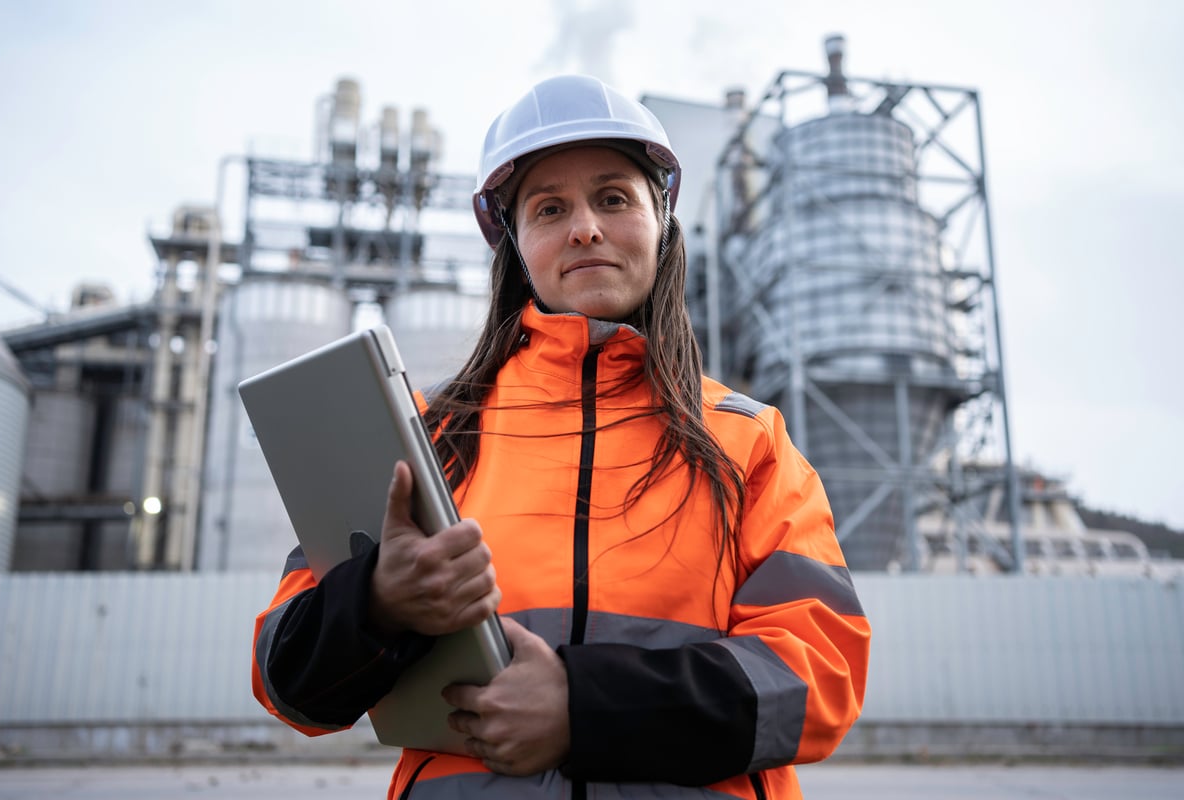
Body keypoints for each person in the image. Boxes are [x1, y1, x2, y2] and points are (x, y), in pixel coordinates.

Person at [252, 74, 870, 799]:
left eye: (613, 198)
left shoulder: (749, 443)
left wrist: (583, 707)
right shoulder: (428, 439)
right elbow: (282, 679)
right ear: (515, 246)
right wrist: (376, 604)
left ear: (661, 223)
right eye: (550, 208)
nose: (584, 227)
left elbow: (820, 677)